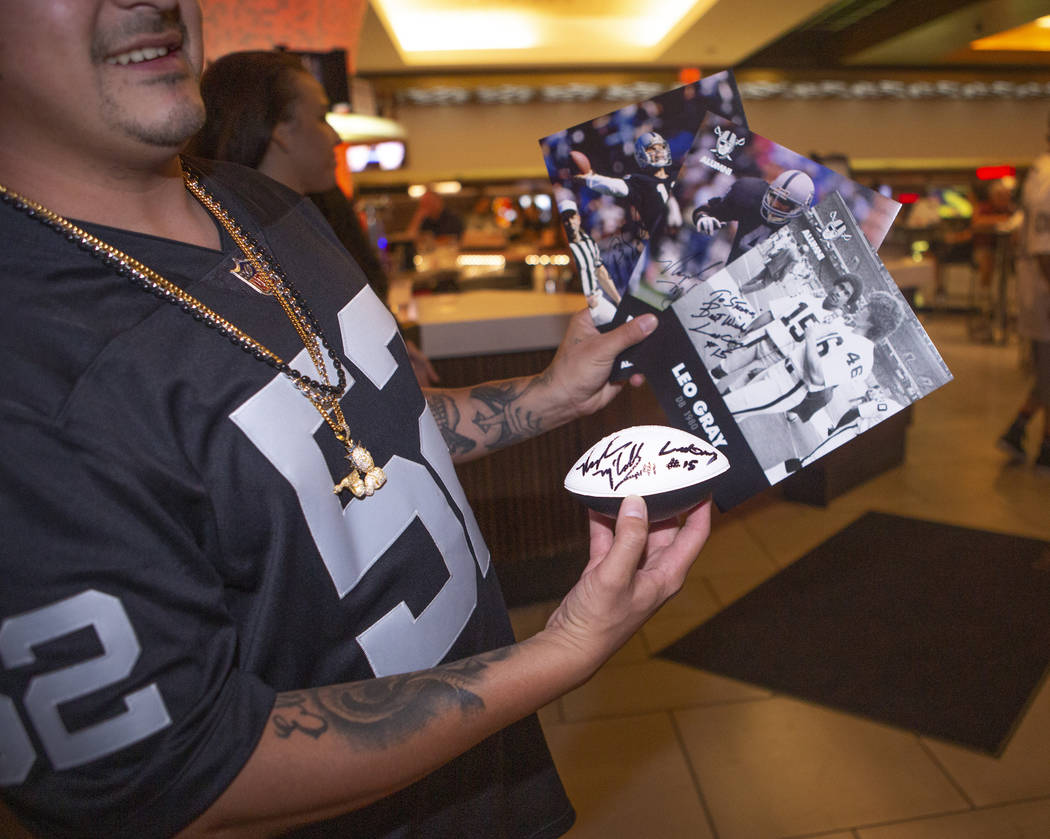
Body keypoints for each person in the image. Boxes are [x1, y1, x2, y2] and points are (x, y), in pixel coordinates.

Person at [0, 3, 712, 838]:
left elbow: (349, 442)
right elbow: (180, 777)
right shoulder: (30, 373)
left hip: (491, 787)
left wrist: (546, 395)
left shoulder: (258, 202)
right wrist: (561, 651)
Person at [185, 49, 438, 387]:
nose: (336, 137)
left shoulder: (324, 212)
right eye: (321, 117)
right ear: (280, 131)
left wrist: (392, 344)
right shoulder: (224, 243)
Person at [719, 291, 903, 419]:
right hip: (779, 370)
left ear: (874, 321)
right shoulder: (846, 329)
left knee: (726, 408)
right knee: (735, 414)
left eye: (868, 307)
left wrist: (810, 338)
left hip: (788, 385)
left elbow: (817, 376)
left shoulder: (863, 355)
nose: (862, 306)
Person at [997, 124, 1050, 473]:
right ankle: (1043, 446)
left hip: (1039, 290)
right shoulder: (1047, 177)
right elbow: (1045, 250)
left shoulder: (1039, 172)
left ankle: (1019, 430)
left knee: (1047, 374)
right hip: (1044, 293)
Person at [574, 130, 684, 242]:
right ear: (641, 154)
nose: (658, 152)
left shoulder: (676, 173)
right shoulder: (639, 181)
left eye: (660, 147)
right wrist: (590, 178)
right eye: (652, 149)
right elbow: (615, 187)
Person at [692, 169, 815, 262]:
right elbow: (705, 210)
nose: (775, 204)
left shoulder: (802, 229)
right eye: (774, 196)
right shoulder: (750, 193)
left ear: (798, 208)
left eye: (785, 202)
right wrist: (703, 217)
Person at [559, 198, 620, 325]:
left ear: (578, 218)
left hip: (597, 300)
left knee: (622, 323)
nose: (570, 223)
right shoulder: (565, 249)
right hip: (578, 307)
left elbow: (601, 272)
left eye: (572, 217)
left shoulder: (588, 241)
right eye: (565, 220)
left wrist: (618, 299)